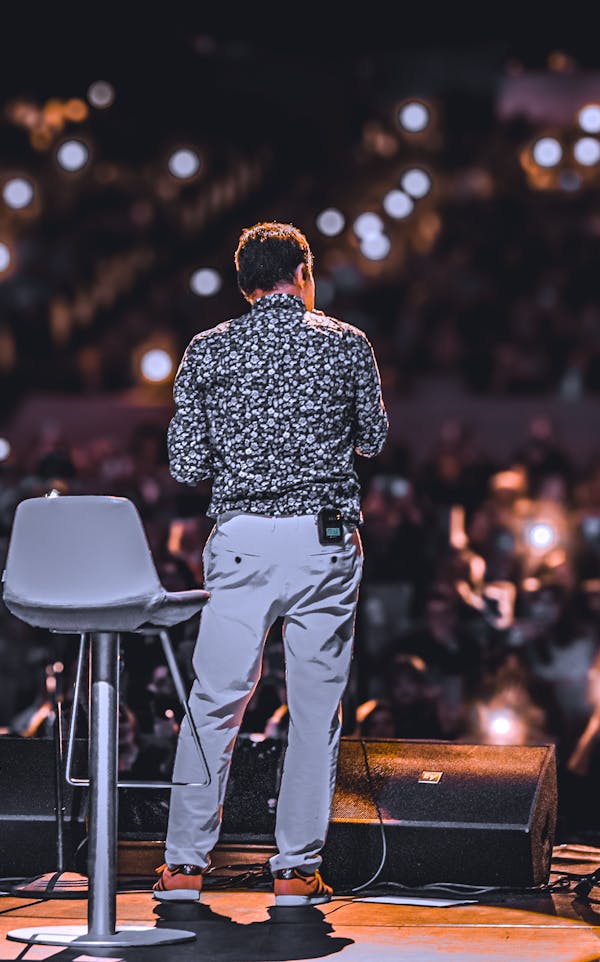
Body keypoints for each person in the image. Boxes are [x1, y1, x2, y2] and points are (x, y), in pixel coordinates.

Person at [155, 222, 388, 906]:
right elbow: (372, 440)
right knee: (315, 711)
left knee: (215, 705)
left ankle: (183, 869)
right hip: (323, 540)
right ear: (304, 273)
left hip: (243, 540)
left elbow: (188, 464)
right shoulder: (347, 344)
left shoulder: (207, 350)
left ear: (244, 284)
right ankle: (294, 872)